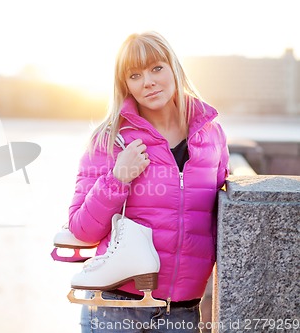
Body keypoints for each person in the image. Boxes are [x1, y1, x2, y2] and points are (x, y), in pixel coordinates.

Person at [67, 31, 229, 333]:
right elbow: (81, 228)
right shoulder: (110, 139)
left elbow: (222, 215)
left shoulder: (211, 135)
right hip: (115, 307)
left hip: (181, 312)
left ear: (174, 68)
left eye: (157, 68)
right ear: (124, 85)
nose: (148, 82)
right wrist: (118, 178)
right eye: (135, 75)